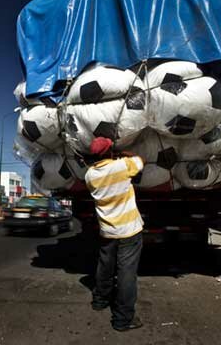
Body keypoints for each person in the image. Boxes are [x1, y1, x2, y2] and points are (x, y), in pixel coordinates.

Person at [84, 136, 145, 332]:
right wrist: (125, 154)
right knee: (126, 273)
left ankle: (99, 301)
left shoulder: (90, 176)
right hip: (128, 230)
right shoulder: (122, 166)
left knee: (105, 267)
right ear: (110, 152)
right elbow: (140, 161)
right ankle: (123, 319)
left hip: (107, 230)